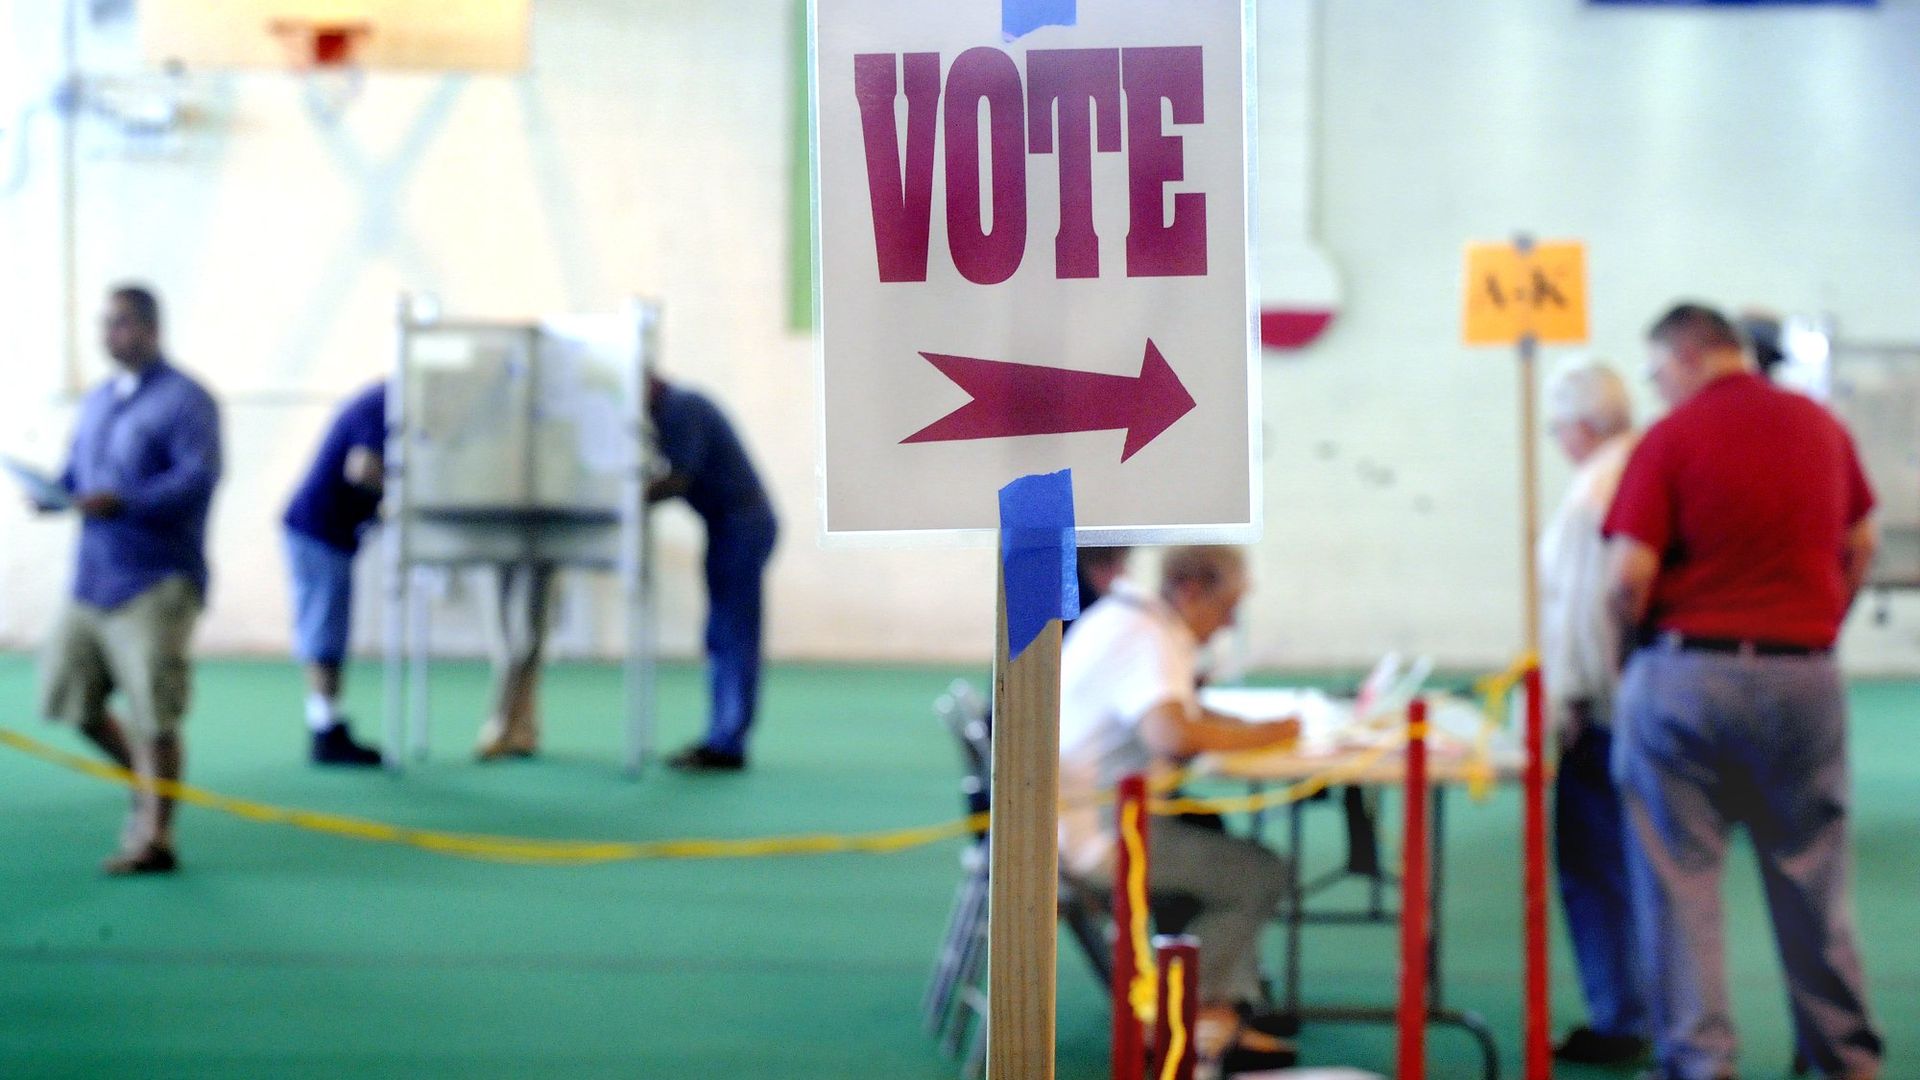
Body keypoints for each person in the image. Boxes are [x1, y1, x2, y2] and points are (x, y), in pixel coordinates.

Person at [1604, 303, 1883, 1080]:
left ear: (1686, 356)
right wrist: (1820, 623)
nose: (1658, 388)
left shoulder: (1672, 437)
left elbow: (1627, 576)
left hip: (1686, 673)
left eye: (1657, 372)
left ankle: (1703, 1063)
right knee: (1812, 877)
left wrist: (1632, 661)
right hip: (1804, 676)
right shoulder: (1820, 428)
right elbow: (1862, 543)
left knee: (1682, 880)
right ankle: (1846, 1060)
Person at [1058, 546, 1299, 1074]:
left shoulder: (1133, 618)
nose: (1230, 623)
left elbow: (1178, 712)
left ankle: (1210, 1010)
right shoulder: (1149, 636)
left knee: (1213, 841)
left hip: (1077, 826)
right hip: (1098, 842)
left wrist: (1250, 730)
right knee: (1255, 873)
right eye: (1228, 606)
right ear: (1192, 590)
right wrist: (1274, 732)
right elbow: (1170, 733)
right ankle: (1189, 1021)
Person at [35, 284, 221, 875]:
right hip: (91, 579)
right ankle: (142, 786)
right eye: (104, 324)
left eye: (119, 324)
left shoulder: (188, 401)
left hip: (155, 582)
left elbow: (196, 479)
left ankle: (156, 838)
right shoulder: (97, 400)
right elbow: (77, 471)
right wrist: (55, 493)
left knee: (155, 713)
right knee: (70, 698)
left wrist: (126, 502)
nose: (107, 335)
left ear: (149, 329)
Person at [1536, 362, 1649, 1065]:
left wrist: (1571, 698)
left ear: (1578, 425)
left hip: (1603, 709)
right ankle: (1647, 1009)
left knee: (1593, 865)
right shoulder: (1645, 466)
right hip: (1646, 698)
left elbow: (1585, 612)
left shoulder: (1592, 491)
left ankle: (1620, 1014)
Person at [647, 373, 779, 773]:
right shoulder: (676, 407)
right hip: (728, 525)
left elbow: (678, 477)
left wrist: (618, 497)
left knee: (732, 634)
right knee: (722, 633)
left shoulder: (681, 408)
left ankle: (728, 742)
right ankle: (723, 736)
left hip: (741, 523)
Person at [282, 381, 387, 766]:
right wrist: (395, 499)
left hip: (326, 530)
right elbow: (362, 469)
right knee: (324, 630)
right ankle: (325, 730)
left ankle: (327, 723)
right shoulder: (383, 405)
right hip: (319, 530)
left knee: (327, 629)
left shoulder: (378, 401)